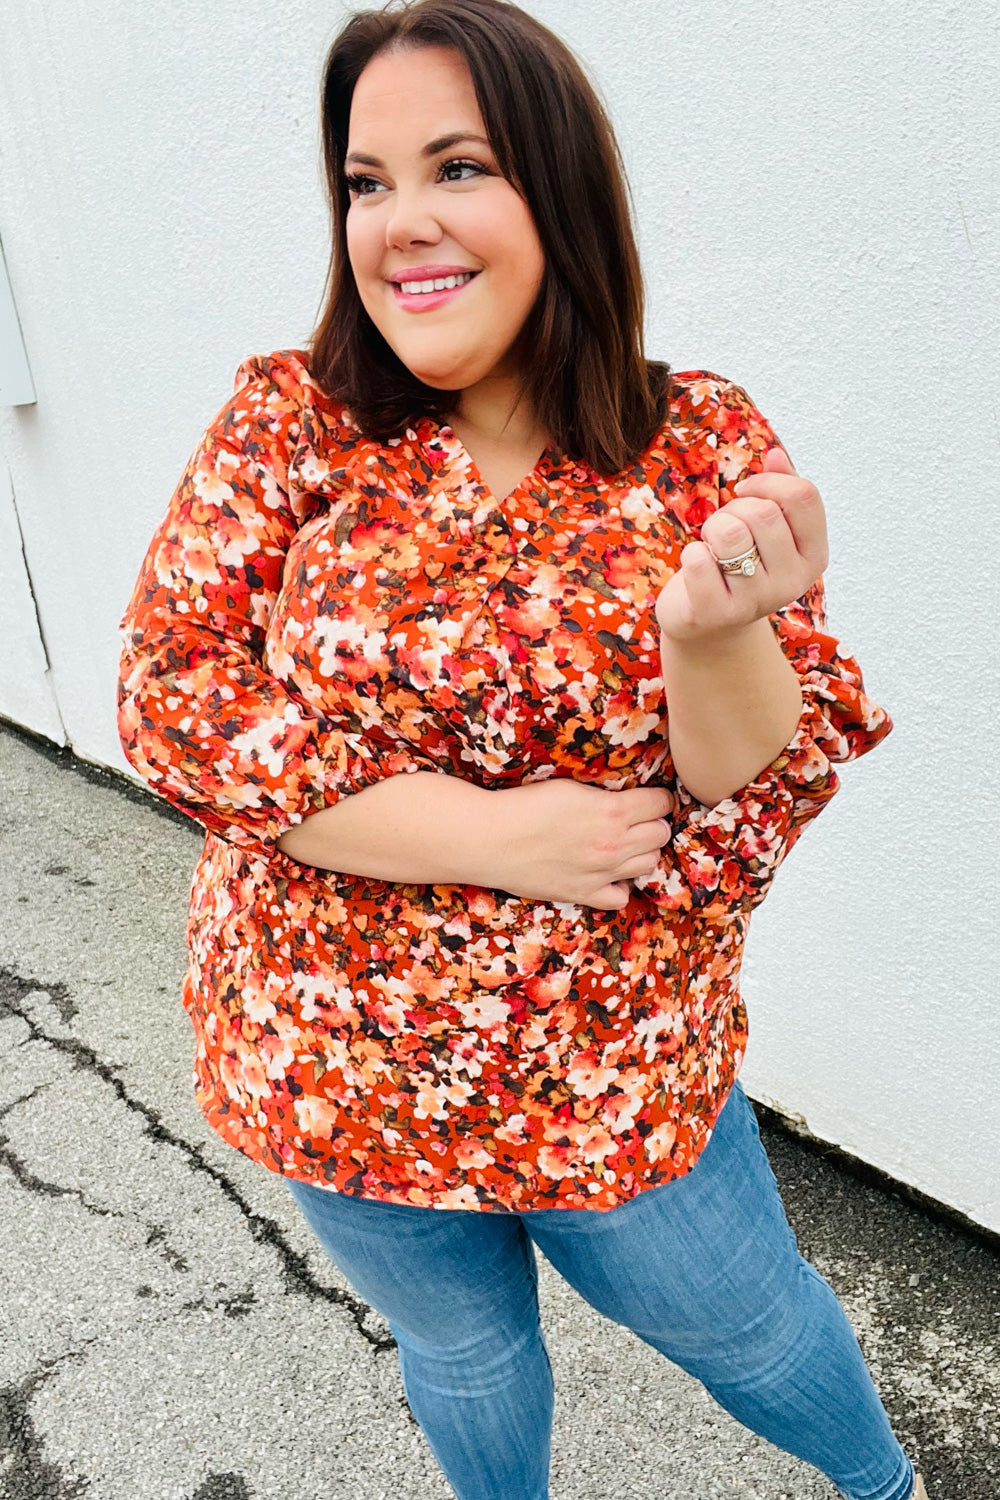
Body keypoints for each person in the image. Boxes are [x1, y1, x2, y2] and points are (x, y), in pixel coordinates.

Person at [116, 2, 925, 1496]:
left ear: (559, 187)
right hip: (336, 1060)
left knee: (752, 1336)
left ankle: (888, 1488)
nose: (402, 222)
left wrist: (708, 633)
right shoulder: (294, 422)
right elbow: (174, 696)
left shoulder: (696, 440)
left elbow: (770, 764)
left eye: (457, 165)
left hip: (610, 1063)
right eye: (366, 182)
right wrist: (493, 839)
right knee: (466, 1356)